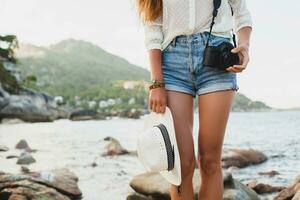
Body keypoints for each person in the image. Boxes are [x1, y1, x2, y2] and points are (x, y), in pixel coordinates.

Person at [136, 0, 252, 199]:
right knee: (181, 164)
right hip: (172, 62)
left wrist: (244, 45)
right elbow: (153, 28)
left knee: (210, 160)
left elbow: (241, 12)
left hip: (217, 56)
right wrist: (156, 83)